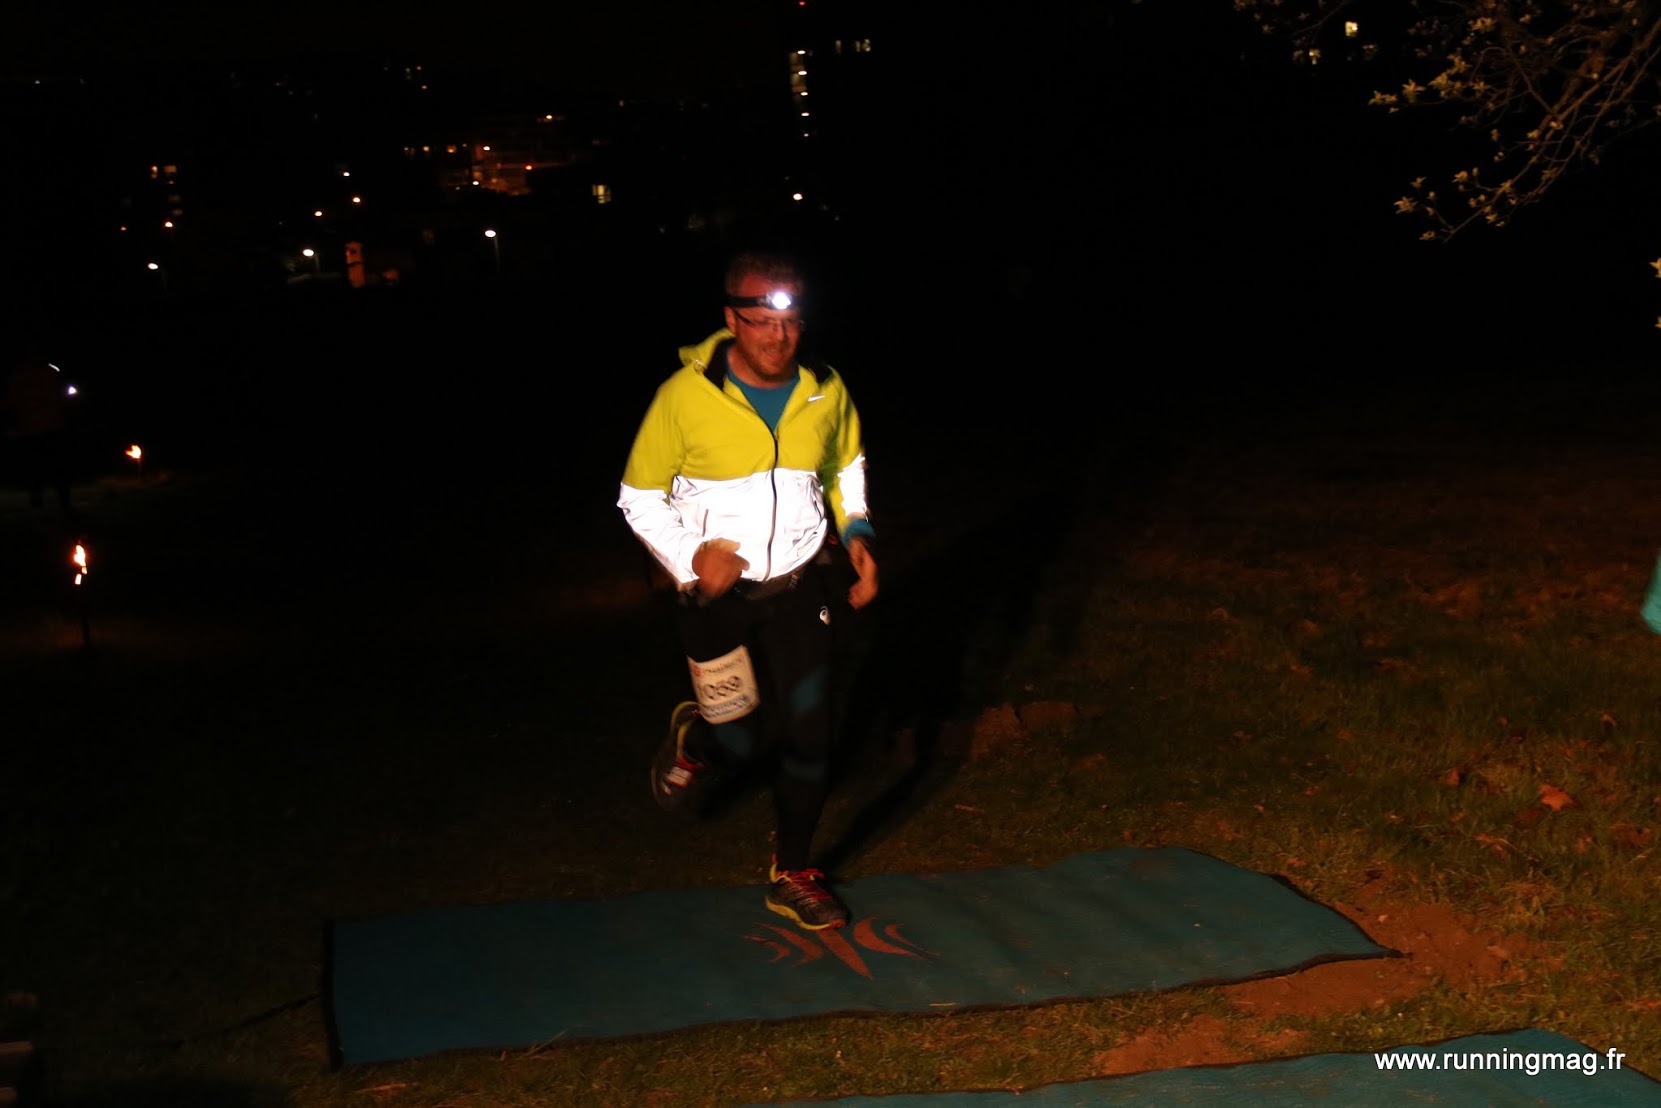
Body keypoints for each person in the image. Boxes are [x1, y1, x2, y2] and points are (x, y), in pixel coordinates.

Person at [617, 250, 878, 930]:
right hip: (715, 601)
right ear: (731, 320)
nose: (777, 336)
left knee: (810, 733)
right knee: (739, 742)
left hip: (798, 586)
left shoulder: (824, 388)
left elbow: (844, 463)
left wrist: (856, 531)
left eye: (789, 322)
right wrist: (689, 556)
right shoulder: (684, 397)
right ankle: (697, 742)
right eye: (761, 320)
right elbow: (638, 496)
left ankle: (793, 872)